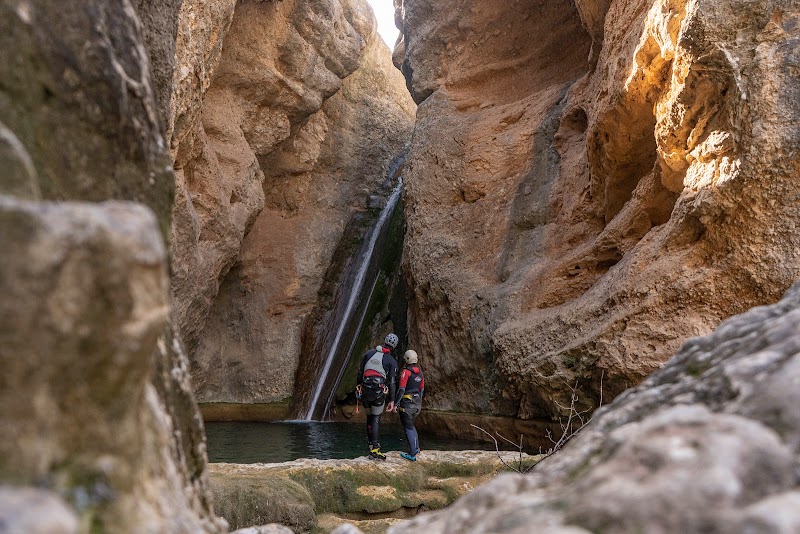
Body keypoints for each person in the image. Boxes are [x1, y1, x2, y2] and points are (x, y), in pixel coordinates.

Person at [356, 333, 399, 460]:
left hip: (365, 390)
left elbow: (360, 372)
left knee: (369, 418)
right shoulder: (391, 361)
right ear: (394, 346)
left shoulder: (369, 354)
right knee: (375, 418)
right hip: (378, 391)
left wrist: (358, 386)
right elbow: (392, 382)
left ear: (384, 341)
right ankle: (375, 450)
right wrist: (392, 400)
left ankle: (370, 446)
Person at [392, 349, 424, 461]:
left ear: (406, 359)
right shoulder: (420, 373)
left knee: (408, 427)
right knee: (411, 425)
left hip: (407, 403)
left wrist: (395, 404)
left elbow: (401, 389)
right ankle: (416, 448)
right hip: (417, 404)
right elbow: (422, 389)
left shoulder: (406, 372)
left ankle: (412, 454)